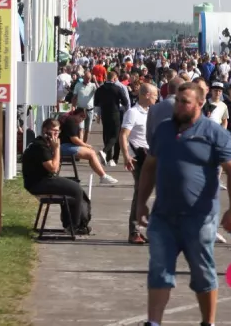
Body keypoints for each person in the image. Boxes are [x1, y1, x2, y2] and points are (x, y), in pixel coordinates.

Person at [130, 82, 231, 326]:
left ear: (200, 104)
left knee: (203, 272)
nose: (179, 106)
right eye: (178, 100)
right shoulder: (163, 131)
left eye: (186, 102)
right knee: (159, 270)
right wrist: (141, 203)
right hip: (164, 217)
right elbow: (149, 167)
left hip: (199, 217)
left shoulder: (214, 133)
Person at [21, 117, 86, 234]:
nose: (56, 134)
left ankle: (70, 223)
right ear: (45, 130)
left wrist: (55, 148)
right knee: (76, 190)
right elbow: (54, 168)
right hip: (38, 183)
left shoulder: (46, 144)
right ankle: (74, 227)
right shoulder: (40, 146)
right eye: (54, 131)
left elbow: (55, 169)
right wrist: (57, 149)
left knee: (74, 187)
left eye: (58, 131)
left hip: (44, 179)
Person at [120, 83, 159, 244]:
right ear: (147, 95)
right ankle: (134, 231)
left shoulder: (152, 113)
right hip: (139, 157)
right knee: (140, 193)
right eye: (155, 95)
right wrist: (126, 155)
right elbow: (123, 135)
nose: (157, 98)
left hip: (152, 156)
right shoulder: (133, 113)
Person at [58, 108, 120, 185]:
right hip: (64, 146)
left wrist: (81, 134)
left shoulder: (71, 120)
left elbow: (76, 138)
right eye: (81, 118)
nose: (81, 121)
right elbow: (74, 139)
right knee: (91, 154)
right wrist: (86, 145)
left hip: (65, 145)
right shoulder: (71, 121)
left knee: (92, 153)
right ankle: (103, 176)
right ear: (78, 115)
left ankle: (103, 175)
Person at [95, 71, 131, 165]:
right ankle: (105, 152)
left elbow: (96, 103)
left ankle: (108, 157)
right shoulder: (117, 88)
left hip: (104, 114)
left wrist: (98, 114)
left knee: (106, 135)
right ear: (114, 79)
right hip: (115, 113)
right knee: (116, 135)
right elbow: (126, 102)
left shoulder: (100, 89)